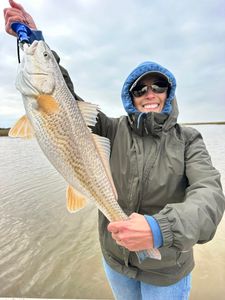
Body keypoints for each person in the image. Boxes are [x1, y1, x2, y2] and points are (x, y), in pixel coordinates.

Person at [4, 1, 225, 299]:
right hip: (116, 261)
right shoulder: (112, 129)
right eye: (139, 89)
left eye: (158, 86)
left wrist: (158, 229)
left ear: (169, 93)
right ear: (129, 97)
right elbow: (65, 101)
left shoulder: (189, 139)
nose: (149, 94)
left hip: (166, 272)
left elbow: (209, 197)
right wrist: (36, 38)